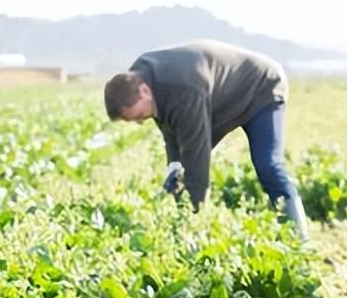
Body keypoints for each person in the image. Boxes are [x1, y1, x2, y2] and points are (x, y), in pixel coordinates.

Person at [103, 39, 307, 237]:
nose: (140, 122)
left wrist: (195, 214)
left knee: (267, 165)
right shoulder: (138, 76)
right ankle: (179, 226)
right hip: (222, 98)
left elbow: (196, 155)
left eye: (139, 116)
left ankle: (298, 239)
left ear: (145, 91)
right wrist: (174, 167)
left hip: (262, 86)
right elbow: (169, 125)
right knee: (179, 174)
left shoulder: (182, 88)